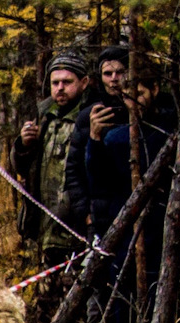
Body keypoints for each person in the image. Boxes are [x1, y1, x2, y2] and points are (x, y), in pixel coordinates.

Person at [83, 58, 176, 323]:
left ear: (155, 89)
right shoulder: (114, 138)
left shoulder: (172, 131)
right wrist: (94, 141)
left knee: (163, 299)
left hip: (165, 229)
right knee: (122, 305)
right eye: (127, 95)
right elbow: (99, 184)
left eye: (141, 93)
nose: (134, 101)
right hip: (126, 234)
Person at [12, 49, 89, 323]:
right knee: (45, 311)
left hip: (77, 232)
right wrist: (23, 145)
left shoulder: (91, 117)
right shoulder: (44, 118)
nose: (60, 88)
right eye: (55, 82)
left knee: (77, 311)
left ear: (84, 83)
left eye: (67, 82)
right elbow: (20, 169)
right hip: (45, 233)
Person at [64, 45, 128, 240]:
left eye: (120, 72)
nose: (114, 79)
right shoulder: (89, 115)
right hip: (101, 216)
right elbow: (73, 170)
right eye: (107, 73)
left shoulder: (147, 110)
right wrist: (85, 214)